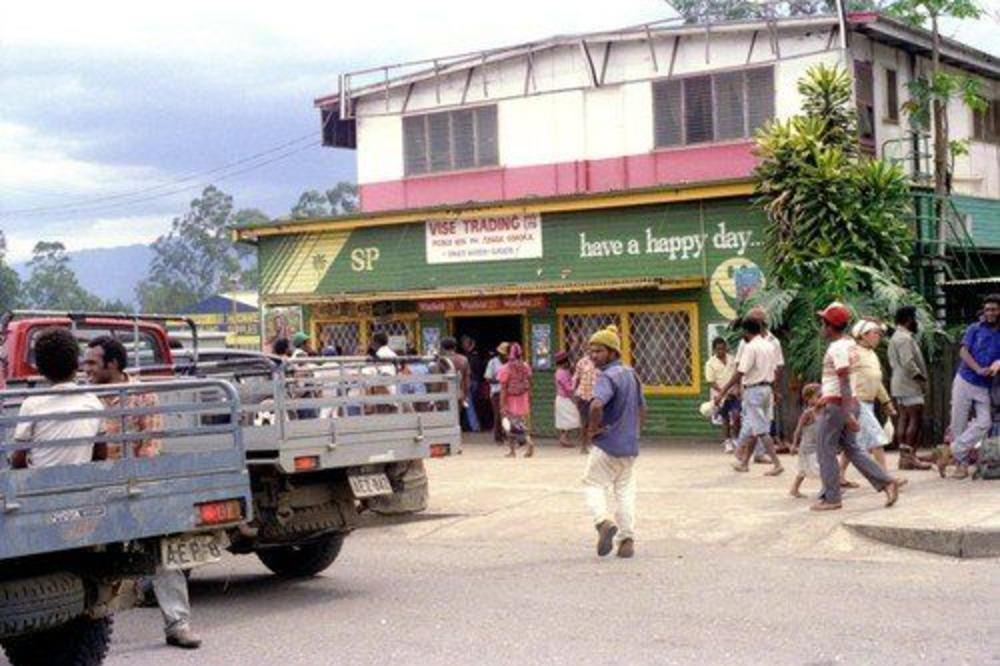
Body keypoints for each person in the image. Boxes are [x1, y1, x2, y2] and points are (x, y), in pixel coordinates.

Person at [83, 336, 202, 649]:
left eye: (93, 363)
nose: (87, 370)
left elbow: (150, 445)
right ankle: (80, 630)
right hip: (93, 487)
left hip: (135, 485)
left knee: (163, 550)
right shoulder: (85, 396)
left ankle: (178, 625)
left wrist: (131, 485)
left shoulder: (142, 396)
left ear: (113, 365)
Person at [811, 302, 900, 512]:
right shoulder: (850, 344)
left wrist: (847, 411)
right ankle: (886, 482)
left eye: (823, 323)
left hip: (838, 405)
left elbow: (843, 381)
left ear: (829, 326)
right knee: (853, 449)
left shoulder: (838, 347)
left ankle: (832, 497)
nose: (822, 328)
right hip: (845, 402)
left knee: (825, 451)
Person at [582, 325, 645, 559]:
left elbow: (596, 404)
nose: (592, 356)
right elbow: (642, 408)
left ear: (612, 352)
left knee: (592, 483)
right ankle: (626, 540)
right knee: (625, 491)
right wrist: (635, 433)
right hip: (629, 446)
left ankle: (602, 522)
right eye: (591, 351)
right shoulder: (631, 374)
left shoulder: (607, 376)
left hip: (607, 444)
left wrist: (592, 430)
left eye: (598, 351)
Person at [10, 327, 102, 470]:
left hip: (42, 486)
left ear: (39, 369)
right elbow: (101, 454)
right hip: (83, 484)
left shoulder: (32, 404)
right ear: (77, 365)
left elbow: (18, 460)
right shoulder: (93, 401)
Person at [715, 317, 783, 476]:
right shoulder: (768, 345)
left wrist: (723, 391)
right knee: (755, 426)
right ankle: (745, 463)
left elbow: (740, 372)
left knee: (761, 429)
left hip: (754, 391)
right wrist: (774, 390)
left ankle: (777, 464)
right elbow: (775, 370)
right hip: (767, 389)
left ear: (746, 331)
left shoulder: (750, 347)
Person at [947, 294, 1000, 479]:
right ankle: (960, 466)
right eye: (987, 310)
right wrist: (978, 368)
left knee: (984, 422)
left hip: (985, 386)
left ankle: (952, 451)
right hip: (965, 380)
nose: (990, 313)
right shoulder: (974, 328)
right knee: (958, 423)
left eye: (994, 309)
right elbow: (963, 351)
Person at [839, 319, 897, 480]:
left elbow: (876, 381)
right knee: (876, 438)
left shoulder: (872, 354)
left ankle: (839, 475)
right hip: (858, 402)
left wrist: (886, 402)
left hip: (869, 403)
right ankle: (885, 477)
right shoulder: (853, 352)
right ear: (863, 335)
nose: (878, 336)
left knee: (853, 443)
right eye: (875, 333)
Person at [887, 306, 932, 470]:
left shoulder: (895, 337)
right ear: (908, 319)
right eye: (914, 318)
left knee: (904, 418)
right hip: (909, 383)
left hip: (898, 383)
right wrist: (920, 378)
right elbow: (908, 362)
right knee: (915, 419)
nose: (916, 322)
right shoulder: (904, 338)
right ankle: (910, 457)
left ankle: (904, 458)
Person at [704, 336, 740, 453]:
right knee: (725, 418)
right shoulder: (710, 363)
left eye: (723, 349)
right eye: (718, 349)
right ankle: (727, 441)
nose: (721, 351)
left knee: (736, 414)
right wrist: (723, 392)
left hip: (734, 392)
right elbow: (711, 382)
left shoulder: (732, 359)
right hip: (720, 395)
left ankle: (735, 437)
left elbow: (737, 376)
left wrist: (737, 389)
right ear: (714, 350)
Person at [498, 343, 534, 458]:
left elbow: (503, 388)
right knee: (521, 422)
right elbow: (530, 382)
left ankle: (514, 450)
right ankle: (527, 442)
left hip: (510, 399)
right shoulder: (525, 366)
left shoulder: (505, 368)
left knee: (509, 425)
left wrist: (502, 404)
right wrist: (529, 397)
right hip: (523, 398)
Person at [789, 383, 822, 498]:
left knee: (802, 470)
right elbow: (798, 430)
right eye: (818, 396)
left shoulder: (821, 411)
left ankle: (794, 489)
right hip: (807, 448)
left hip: (816, 446)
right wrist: (794, 445)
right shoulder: (808, 413)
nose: (821, 399)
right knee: (818, 469)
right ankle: (828, 488)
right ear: (808, 398)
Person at [441, 337, 474, 432]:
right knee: (457, 417)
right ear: (455, 347)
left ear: (442, 348)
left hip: (444, 393)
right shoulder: (463, 360)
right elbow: (467, 379)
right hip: (459, 392)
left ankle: (448, 435)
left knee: (445, 417)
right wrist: (466, 394)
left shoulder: (440, 360)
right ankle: (455, 435)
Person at [573, 350, 599, 454]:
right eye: (591, 350)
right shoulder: (582, 362)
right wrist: (575, 395)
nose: (593, 353)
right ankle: (584, 446)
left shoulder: (601, 364)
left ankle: (596, 446)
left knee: (597, 422)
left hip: (597, 397)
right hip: (583, 396)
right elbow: (576, 378)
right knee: (584, 423)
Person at [554, 351, 581, 447]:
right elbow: (568, 388)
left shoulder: (559, 372)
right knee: (571, 418)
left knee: (564, 420)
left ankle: (564, 438)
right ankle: (564, 438)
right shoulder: (563, 373)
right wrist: (575, 382)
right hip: (565, 399)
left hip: (561, 398)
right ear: (564, 362)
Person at [484, 343, 509, 443]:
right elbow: (488, 378)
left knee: (509, 415)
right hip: (497, 392)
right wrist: (501, 381)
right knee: (498, 415)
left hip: (509, 392)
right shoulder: (493, 362)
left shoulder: (511, 362)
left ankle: (509, 435)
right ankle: (498, 437)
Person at [461, 335, 486, 432]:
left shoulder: (471, 356)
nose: (463, 345)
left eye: (465, 343)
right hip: (474, 382)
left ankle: (475, 426)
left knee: (469, 405)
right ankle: (469, 425)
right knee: (471, 404)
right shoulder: (472, 355)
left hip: (470, 382)